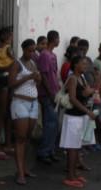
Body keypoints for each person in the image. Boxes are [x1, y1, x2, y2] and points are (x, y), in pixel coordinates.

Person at [60, 56, 96, 188]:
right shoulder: (73, 79)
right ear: (75, 65)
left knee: (76, 147)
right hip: (73, 117)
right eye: (83, 63)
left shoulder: (82, 78)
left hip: (79, 117)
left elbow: (85, 94)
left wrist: (90, 92)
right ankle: (69, 176)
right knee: (72, 148)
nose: (85, 66)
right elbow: (73, 99)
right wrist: (87, 111)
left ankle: (74, 173)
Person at [9, 39, 41, 185]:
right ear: (23, 49)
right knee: (20, 138)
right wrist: (28, 76)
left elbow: (36, 83)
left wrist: (37, 78)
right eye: (30, 50)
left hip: (33, 103)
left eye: (34, 50)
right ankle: (20, 172)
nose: (32, 53)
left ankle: (24, 168)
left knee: (27, 137)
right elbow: (11, 84)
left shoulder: (33, 63)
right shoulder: (17, 63)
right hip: (20, 102)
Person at [36, 30, 60, 164]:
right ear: (54, 39)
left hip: (54, 92)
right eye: (58, 39)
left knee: (54, 124)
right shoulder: (45, 55)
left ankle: (50, 150)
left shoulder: (53, 55)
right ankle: (44, 152)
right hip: (47, 94)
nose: (59, 41)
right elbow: (44, 75)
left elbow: (53, 74)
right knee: (50, 123)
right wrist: (50, 92)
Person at [0, 26, 14, 160]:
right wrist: (10, 66)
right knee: (3, 113)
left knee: (5, 113)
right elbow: (12, 63)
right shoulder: (7, 48)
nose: (12, 38)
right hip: (5, 80)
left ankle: (5, 144)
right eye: (10, 36)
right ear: (6, 37)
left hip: (3, 79)